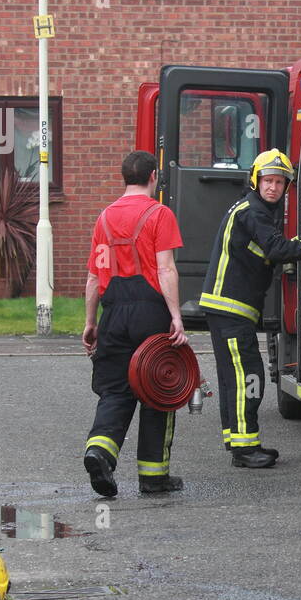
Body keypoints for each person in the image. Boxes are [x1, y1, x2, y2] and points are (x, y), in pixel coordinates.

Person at [201, 149, 301, 468]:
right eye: (268, 180)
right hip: (231, 308)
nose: (273, 187)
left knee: (234, 376)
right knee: (249, 375)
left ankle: (239, 441)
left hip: (226, 308)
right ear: (255, 180)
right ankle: (245, 449)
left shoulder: (252, 209)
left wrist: (278, 257)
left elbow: (264, 251)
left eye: (279, 182)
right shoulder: (253, 212)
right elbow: (275, 247)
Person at [82, 151, 189, 497]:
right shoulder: (160, 214)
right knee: (159, 388)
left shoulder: (104, 219)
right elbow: (166, 268)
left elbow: (94, 277)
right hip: (150, 313)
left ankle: (99, 452)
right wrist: (175, 316)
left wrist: (90, 322)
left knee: (115, 390)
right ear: (154, 176)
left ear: (124, 177)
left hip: (113, 314)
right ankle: (153, 476)